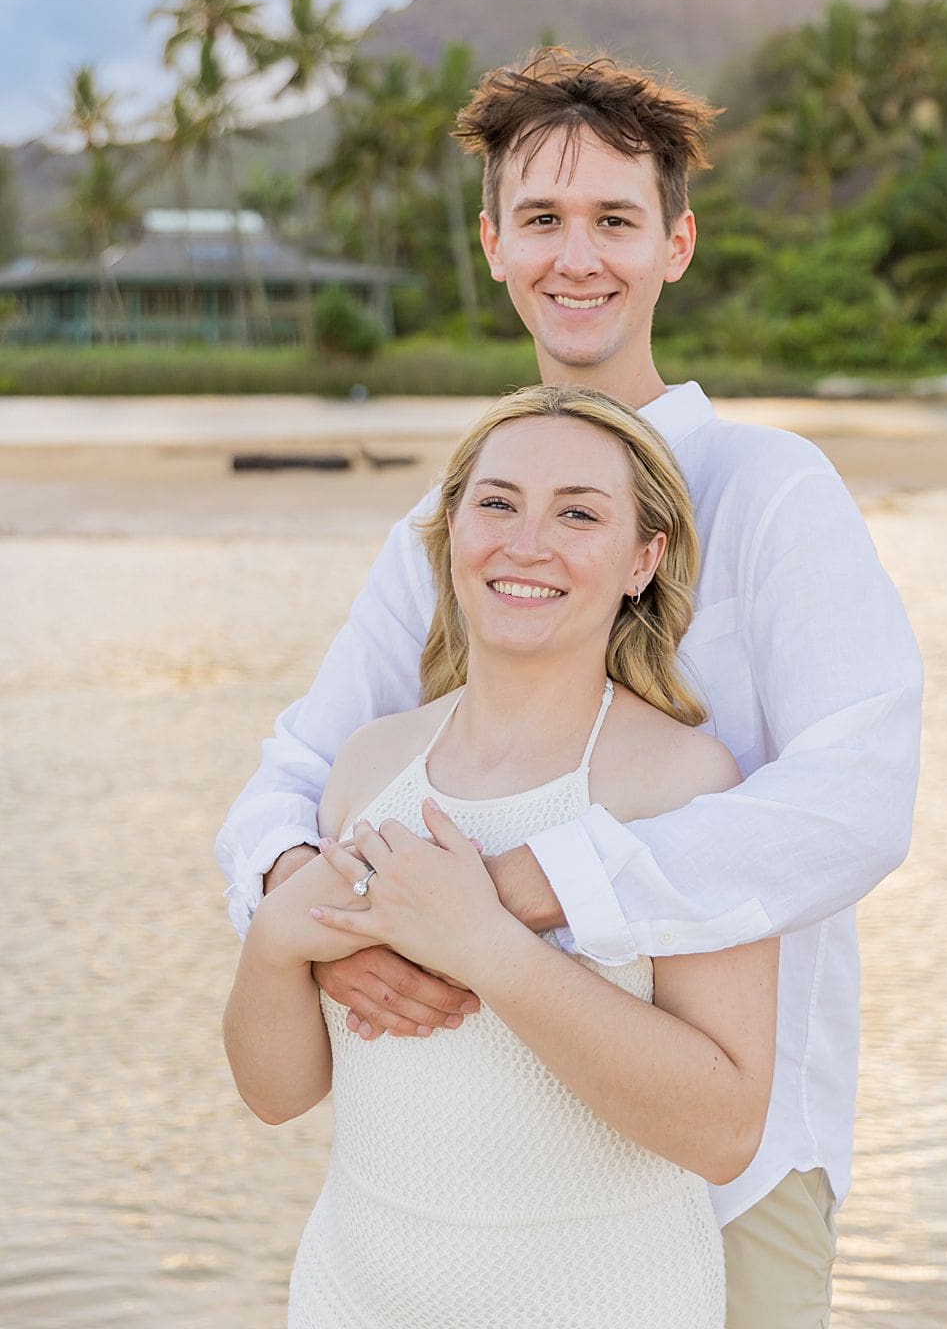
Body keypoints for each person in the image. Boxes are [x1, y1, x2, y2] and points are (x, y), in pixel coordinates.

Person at [217, 47, 924, 1329]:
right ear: (493, 244)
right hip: (485, 1156)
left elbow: (859, 797)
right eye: (541, 219)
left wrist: (511, 895)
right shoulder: (453, 520)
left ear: (678, 243)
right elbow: (297, 774)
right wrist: (309, 924)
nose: (576, 256)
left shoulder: (772, 493)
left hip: (731, 1148)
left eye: (615, 219)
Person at [225, 384, 778, 1326]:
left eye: (578, 513)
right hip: (358, 1292)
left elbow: (725, 1131)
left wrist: (486, 946)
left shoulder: (683, 784)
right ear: (449, 536)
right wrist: (276, 942)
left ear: (643, 559)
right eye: (497, 503)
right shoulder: (369, 765)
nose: (527, 543)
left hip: (603, 1297)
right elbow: (279, 1094)